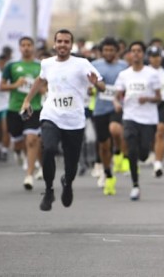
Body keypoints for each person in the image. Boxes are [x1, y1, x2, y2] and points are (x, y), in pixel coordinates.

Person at [23, 30, 104, 211]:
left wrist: (96, 83)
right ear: (54, 44)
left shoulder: (82, 64)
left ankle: (67, 183)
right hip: (51, 115)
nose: (62, 45)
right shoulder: (47, 63)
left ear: (71, 45)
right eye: (59, 41)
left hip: (74, 120)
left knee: (71, 163)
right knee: (49, 149)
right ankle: (49, 190)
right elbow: (40, 80)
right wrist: (27, 100)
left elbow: (102, 86)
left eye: (66, 42)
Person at [112, 41, 163, 201]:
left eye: (139, 51)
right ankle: (135, 185)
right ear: (129, 54)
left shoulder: (151, 74)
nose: (135, 53)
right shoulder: (124, 74)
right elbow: (117, 96)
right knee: (131, 149)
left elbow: (159, 97)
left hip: (148, 119)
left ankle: (144, 156)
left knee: (143, 154)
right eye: (133, 51)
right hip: (130, 116)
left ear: (143, 54)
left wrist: (147, 98)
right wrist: (117, 103)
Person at [2, 37, 42, 190]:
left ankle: (29, 175)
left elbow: (48, 85)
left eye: (29, 45)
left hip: (33, 108)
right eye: (23, 45)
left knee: (32, 139)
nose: (26, 48)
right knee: (18, 142)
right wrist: (15, 85)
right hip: (14, 109)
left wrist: (42, 89)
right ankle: (18, 152)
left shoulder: (41, 65)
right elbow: (2, 86)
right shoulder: (11, 65)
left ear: (33, 47)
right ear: (19, 48)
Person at [89, 37, 127, 195]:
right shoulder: (95, 65)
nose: (108, 53)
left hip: (118, 107)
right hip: (100, 109)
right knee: (104, 145)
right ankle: (107, 173)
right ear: (101, 51)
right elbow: (88, 85)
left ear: (117, 51)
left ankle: (118, 153)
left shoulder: (124, 66)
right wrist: (90, 88)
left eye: (111, 50)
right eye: (106, 50)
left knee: (115, 130)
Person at [147, 46, 164, 178]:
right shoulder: (144, 72)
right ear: (149, 58)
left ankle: (158, 163)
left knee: (161, 131)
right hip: (148, 105)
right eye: (153, 56)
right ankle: (150, 152)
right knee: (149, 134)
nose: (156, 59)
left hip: (163, 104)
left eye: (158, 56)